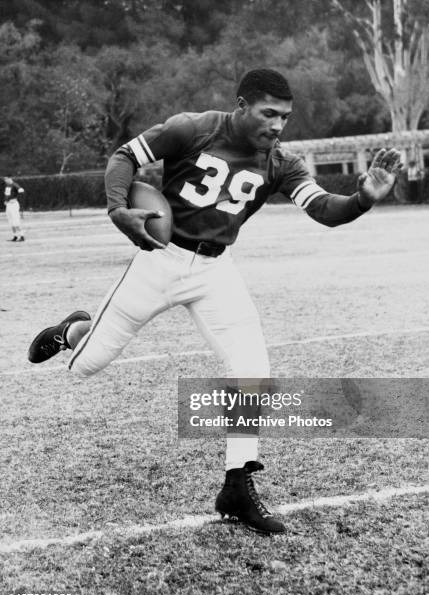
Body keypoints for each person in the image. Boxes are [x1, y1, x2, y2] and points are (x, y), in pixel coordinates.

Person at [27, 68, 401, 534]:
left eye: (285, 117)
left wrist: (363, 198)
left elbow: (324, 209)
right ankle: (73, 331)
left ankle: (236, 485)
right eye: (269, 113)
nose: (278, 125)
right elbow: (125, 155)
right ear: (242, 105)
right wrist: (117, 208)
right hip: (160, 258)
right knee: (86, 365)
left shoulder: (280, 161)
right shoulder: (193, 127)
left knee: (253, 373)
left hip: (214, 270)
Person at [3, 176, 25, 241]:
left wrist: (20, 190)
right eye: (5, 180)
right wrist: (6, 201)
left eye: (7, 179)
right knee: (11, 221)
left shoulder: (14, 184)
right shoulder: (7, 186)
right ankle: (15, 236)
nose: (6, 181)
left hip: (13, 205)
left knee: (16, 221)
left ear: (10, 179)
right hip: (8, 205)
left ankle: (22, 236)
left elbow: (21, 190)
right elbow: (7, 195)